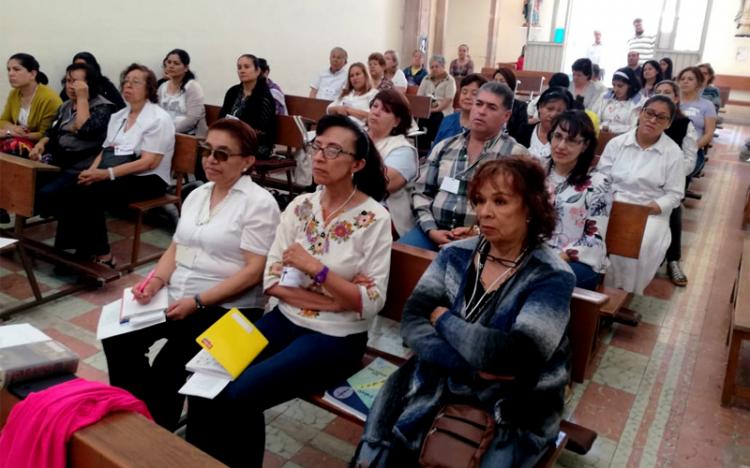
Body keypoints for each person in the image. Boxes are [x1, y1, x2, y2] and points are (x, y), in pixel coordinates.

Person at [184, 114, 392, 467]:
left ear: (357, 164)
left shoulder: (374, 219)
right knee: (205, 370)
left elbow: (369, 304)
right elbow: (273, 281)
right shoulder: (300, 206)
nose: (320, 156)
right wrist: (336, 297)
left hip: (335, 338)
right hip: (284, 319)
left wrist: (317, 270)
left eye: (334, 150)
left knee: (241, 394)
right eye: (317, 146)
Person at [354, 156, 576, 467]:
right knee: (391, 444)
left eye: (500, 201)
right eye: (480, 200)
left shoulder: (551, 275)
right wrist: (471, 366)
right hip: (441, 378)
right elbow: (413, 322)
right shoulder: (456, 255)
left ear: (530, 207)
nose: (485, 211)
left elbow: (516, 354)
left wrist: (443, 318)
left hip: (517, 399)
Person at [101, 118, 280, 431]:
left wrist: (197, 302)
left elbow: (255, 272)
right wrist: (155, 280)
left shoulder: (259, 204)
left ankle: (155, 433)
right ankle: (140, 414)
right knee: (119, 336)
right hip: (180, 297)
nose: (211, 159)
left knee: (169, 364)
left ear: (248, 162)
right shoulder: (198, 194)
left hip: (227, 309)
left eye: (223, 154)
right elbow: (177, 246)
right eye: (207, 150)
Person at [53, 63, 175, 266]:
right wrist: (92, 170)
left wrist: (105, 174)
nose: (128, 86)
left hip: (147, 179)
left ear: (149, 88)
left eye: (135, 82)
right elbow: (106, 150)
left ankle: (104, 255)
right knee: (73, 186)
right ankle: (71, 249)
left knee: (91, 193)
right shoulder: (119, 116)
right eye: (126, 82)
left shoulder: (158, 118)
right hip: (119, 172)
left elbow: (149, 162)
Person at [401, 82, 529, 251]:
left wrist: (478, 233)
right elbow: (422, 192)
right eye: (479, 104)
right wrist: (431, 229)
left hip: (486, 239)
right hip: (434, 230)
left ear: (506, 116)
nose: (481, 111)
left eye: (491, 107)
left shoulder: (516, 156)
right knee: (402, 254)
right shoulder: (445, 147)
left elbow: (520, 211)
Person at [597, 95, 685, 294]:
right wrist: (609, 202)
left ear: (669, 123)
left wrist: (651, 208)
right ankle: (599, 288)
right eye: (650, 113)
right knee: (595, 235)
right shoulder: (617, 144)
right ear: (640, 113)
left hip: (649, 212)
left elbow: (674, 194)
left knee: (642, 244)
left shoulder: (672, 153)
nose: (653, 120)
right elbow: (602, 177)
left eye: (661, 118)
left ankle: (626, 292)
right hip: (613, 205)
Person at [29, 63, 116, 214]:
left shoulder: (103, 107)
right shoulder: (66, 106)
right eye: (69, 81)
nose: (71, 86)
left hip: (80, 165)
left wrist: (82, 98)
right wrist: (41, 144)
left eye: (76, 82)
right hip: (57, 160)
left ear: (89, 84)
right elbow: (52, 131)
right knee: (24, 184)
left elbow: (85, 131)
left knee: (45, 194)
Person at [545, 111, 611, 290]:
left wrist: (557, 256)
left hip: (579, 261)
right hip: (536, 254)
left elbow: (594, 237)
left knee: (547, 279)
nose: (561, 145)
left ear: (585, 145)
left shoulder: (597, 183)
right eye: (557, 136)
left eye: (572, 140)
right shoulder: (535, 171)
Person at [655, 80, 699, 287]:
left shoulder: (684, 124)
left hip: (670, 180)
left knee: (673, 207)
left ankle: (673, 260)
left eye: (667, 93)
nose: (662, 96)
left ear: (676, 99)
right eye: (658, 92)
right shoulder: (643, 120)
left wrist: (668, 173)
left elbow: (690, 161)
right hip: (643, 179)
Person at [367, 89, 419, 237]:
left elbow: (379, 185)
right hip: (346, 202)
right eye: (375, 106)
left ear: (397, 121)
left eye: (385, 110)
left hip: (384, 214)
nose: (376, 112)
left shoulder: (403, 149)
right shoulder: (356, 137)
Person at [218, 54, 276, 159]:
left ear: (258, 71)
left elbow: (261, 131)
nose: (242, 70)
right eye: (239, 67)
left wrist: (236, 133)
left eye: (246, 67)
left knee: (222, 152)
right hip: (229, 139)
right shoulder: (233, 91)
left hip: (256, 144)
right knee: (204, 150)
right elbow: (221, 117)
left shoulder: (264, 97)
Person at [1, 53, 62, 152]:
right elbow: (3, 121)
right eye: (9, 69)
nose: (10, 73)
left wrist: (10, 133)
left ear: (33, 74)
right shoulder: (14, 93)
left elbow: (45, 134)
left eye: (16, 69)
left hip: (40, 148)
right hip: (17, 139)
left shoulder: (49, 98)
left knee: (12, 145)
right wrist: (13, 128)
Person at [512, 87, 574, 161]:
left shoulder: (569, 138)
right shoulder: (525, 129)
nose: (553, 115)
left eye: (560, 111)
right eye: (549, 109)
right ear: (539, 107)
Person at [157, 49, 207, 137]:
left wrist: (168, 130)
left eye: (176, 63)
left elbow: (192, 119)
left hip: (188, 136)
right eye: (169, 62)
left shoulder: (192, 87)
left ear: (186, 68)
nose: (171, 66)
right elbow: (156, 112)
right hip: (164, 133)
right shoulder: (162, 87)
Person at [678, 66, 716, 177]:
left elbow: (709, 133)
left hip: (693, 149)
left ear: (699, 83)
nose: (685, 81)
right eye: (683, 78)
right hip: (670, 148)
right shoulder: (673, 102)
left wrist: (691, 148)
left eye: (690, 79)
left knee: (678, 175)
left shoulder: (707, 105)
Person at [433, 73, 488, 146]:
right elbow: (434, 151)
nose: (467, 97)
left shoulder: (486, 126)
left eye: (474, 94)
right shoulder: (447, 120)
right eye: (464, 92)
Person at [59, 52, 126, 110]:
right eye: (76, 66)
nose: (79, 69)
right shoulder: (69, 88)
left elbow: (120, 107)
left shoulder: (105, 87)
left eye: (83, 66)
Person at [416, 55, 456, 151]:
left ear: (443, 66)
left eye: (436, 66)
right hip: (426, 108)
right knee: (418, 119)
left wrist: (434, 109)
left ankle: (435, 147)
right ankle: (422, 149)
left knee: (435, 118)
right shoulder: (426, 78)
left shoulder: (449, 80)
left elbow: (448, 100)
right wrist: (424, 108)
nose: (434, 69)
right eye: (431, 67)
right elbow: (420, 95)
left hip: (443, 110)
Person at [592, 67, 642, 133]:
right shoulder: (605, 97)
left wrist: (611, 129)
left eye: (620, 86)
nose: (615, 89)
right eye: (613, 85)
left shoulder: (638, 103)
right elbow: (594, 117)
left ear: (630, 85)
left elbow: (634, 128)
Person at [327, 62, 377, 127]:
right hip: (337, 127)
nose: (355, 78)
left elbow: (372, 117)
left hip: (358, 130)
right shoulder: (346, 93)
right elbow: (328, 109)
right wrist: (337, 108)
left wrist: (348, 110)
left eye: (358, 74)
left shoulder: (373, 93)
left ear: (365, 75)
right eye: (352, 76)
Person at [492, 67, 529, 138]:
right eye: (495, 80)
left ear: (510, 84)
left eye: (502, 81)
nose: (498, 84)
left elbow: (522, 134)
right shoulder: (487, 104)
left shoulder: (520, 106)